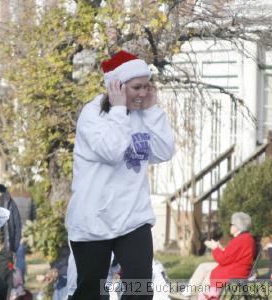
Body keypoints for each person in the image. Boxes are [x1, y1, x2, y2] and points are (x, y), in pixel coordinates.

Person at [65, 50, 175, 300]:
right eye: (137, 87)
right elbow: (111, 151)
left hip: (133, 217)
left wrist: (152, 111)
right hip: (94, 219)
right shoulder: (92, 114)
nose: (143, 93)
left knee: (140, 289)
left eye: (147, 87)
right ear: (116, 86)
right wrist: (118, 110)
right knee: (90, 292)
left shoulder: (143, 115)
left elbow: (164, 151)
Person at [179, 212, 256, 299]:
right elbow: (232, 255)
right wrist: (219, 247)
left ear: (237, 226)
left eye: (231, 224)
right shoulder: (246, 238)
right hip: (237, 268)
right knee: (203, 267)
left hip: (235, 270)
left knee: (210, 275)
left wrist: (215, 248)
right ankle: (188, 291)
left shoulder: (240, 240)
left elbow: (223, 260)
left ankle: (204, 297)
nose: (230, 226)